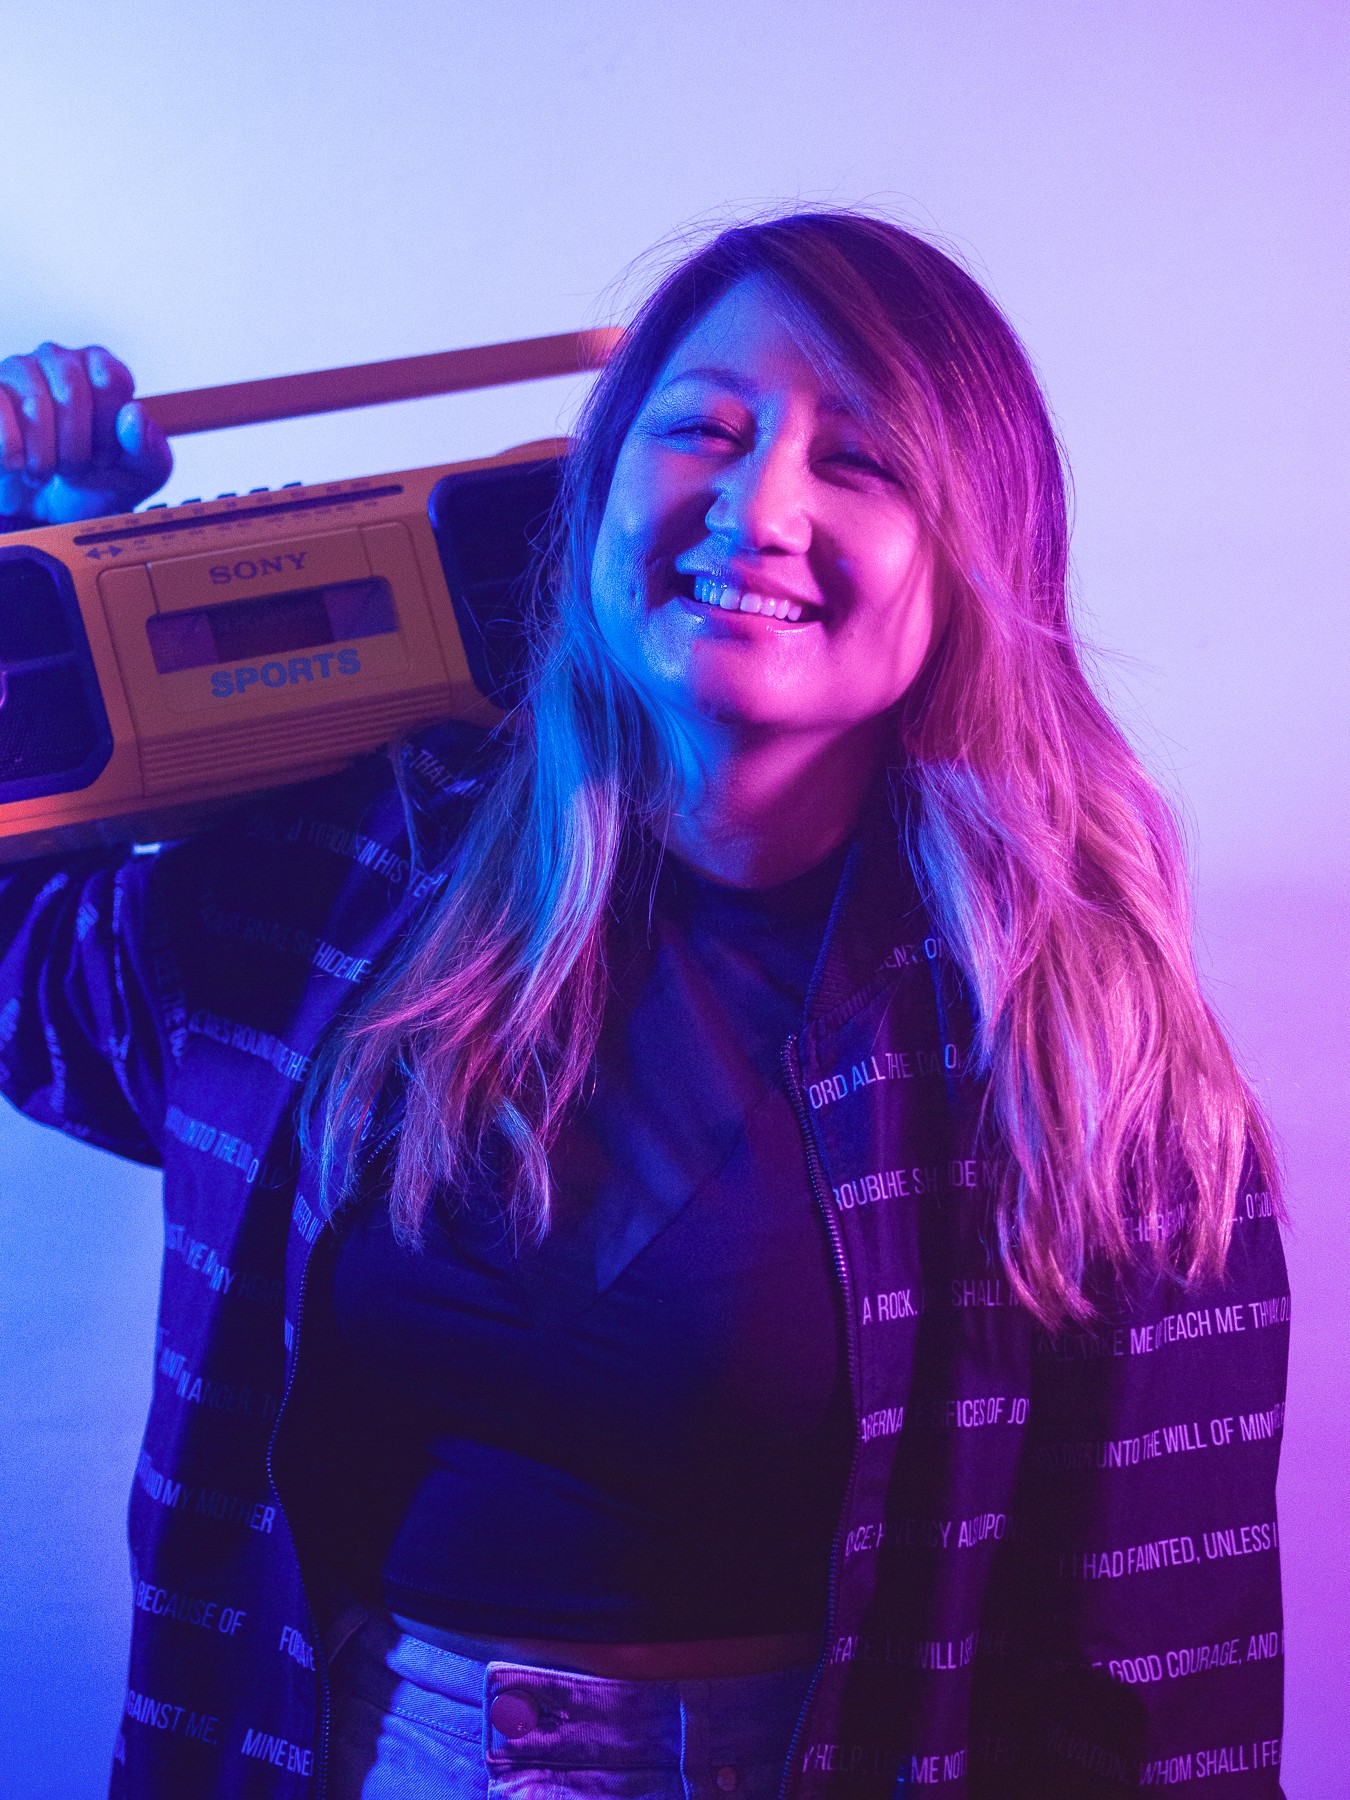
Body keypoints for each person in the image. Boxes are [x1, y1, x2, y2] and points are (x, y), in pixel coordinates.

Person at [0, 212, 1289, 1800]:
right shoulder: (344, 880)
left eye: (860, 462)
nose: (758, 510)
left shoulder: (1075, 1039)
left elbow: (1157, 1662)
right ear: (598, 484)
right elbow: (31, 992)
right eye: (705, 431)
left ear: (974, 557)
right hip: (350, 1749)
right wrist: (38, 601)